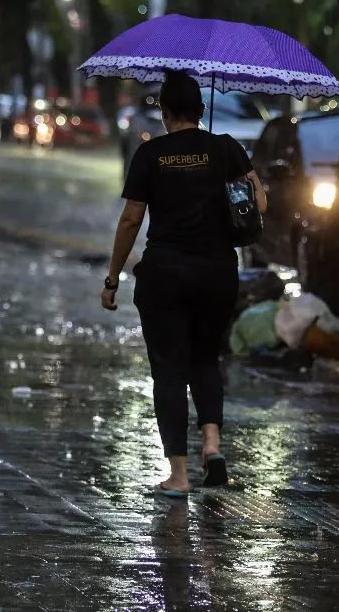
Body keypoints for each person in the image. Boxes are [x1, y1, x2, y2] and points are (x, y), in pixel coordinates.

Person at [100, 70, 267, 498]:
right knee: (206, 360)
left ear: (164, 110)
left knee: (170, 372)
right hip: (217, 274)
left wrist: (113, 276)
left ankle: (178, 474)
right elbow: (259, 205)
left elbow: (132, 219)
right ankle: (213, 447)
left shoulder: (150, 154)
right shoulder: (226, 148)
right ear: (201, 109)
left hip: (166, 276)